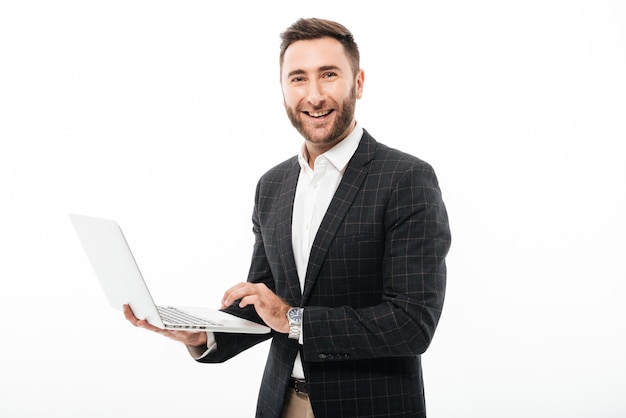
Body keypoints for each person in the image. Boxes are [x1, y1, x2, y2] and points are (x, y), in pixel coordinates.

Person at [124, 17, 451, 418]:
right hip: (282, 403)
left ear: (359, 83)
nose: (314, 96)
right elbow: (264, 306)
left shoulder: (406, 178)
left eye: (328, 75)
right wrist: (202, 333)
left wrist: (293, 319)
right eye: (298, 79)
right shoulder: (273, 185)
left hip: (370, 406)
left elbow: (412, 323)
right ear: (283, 89)